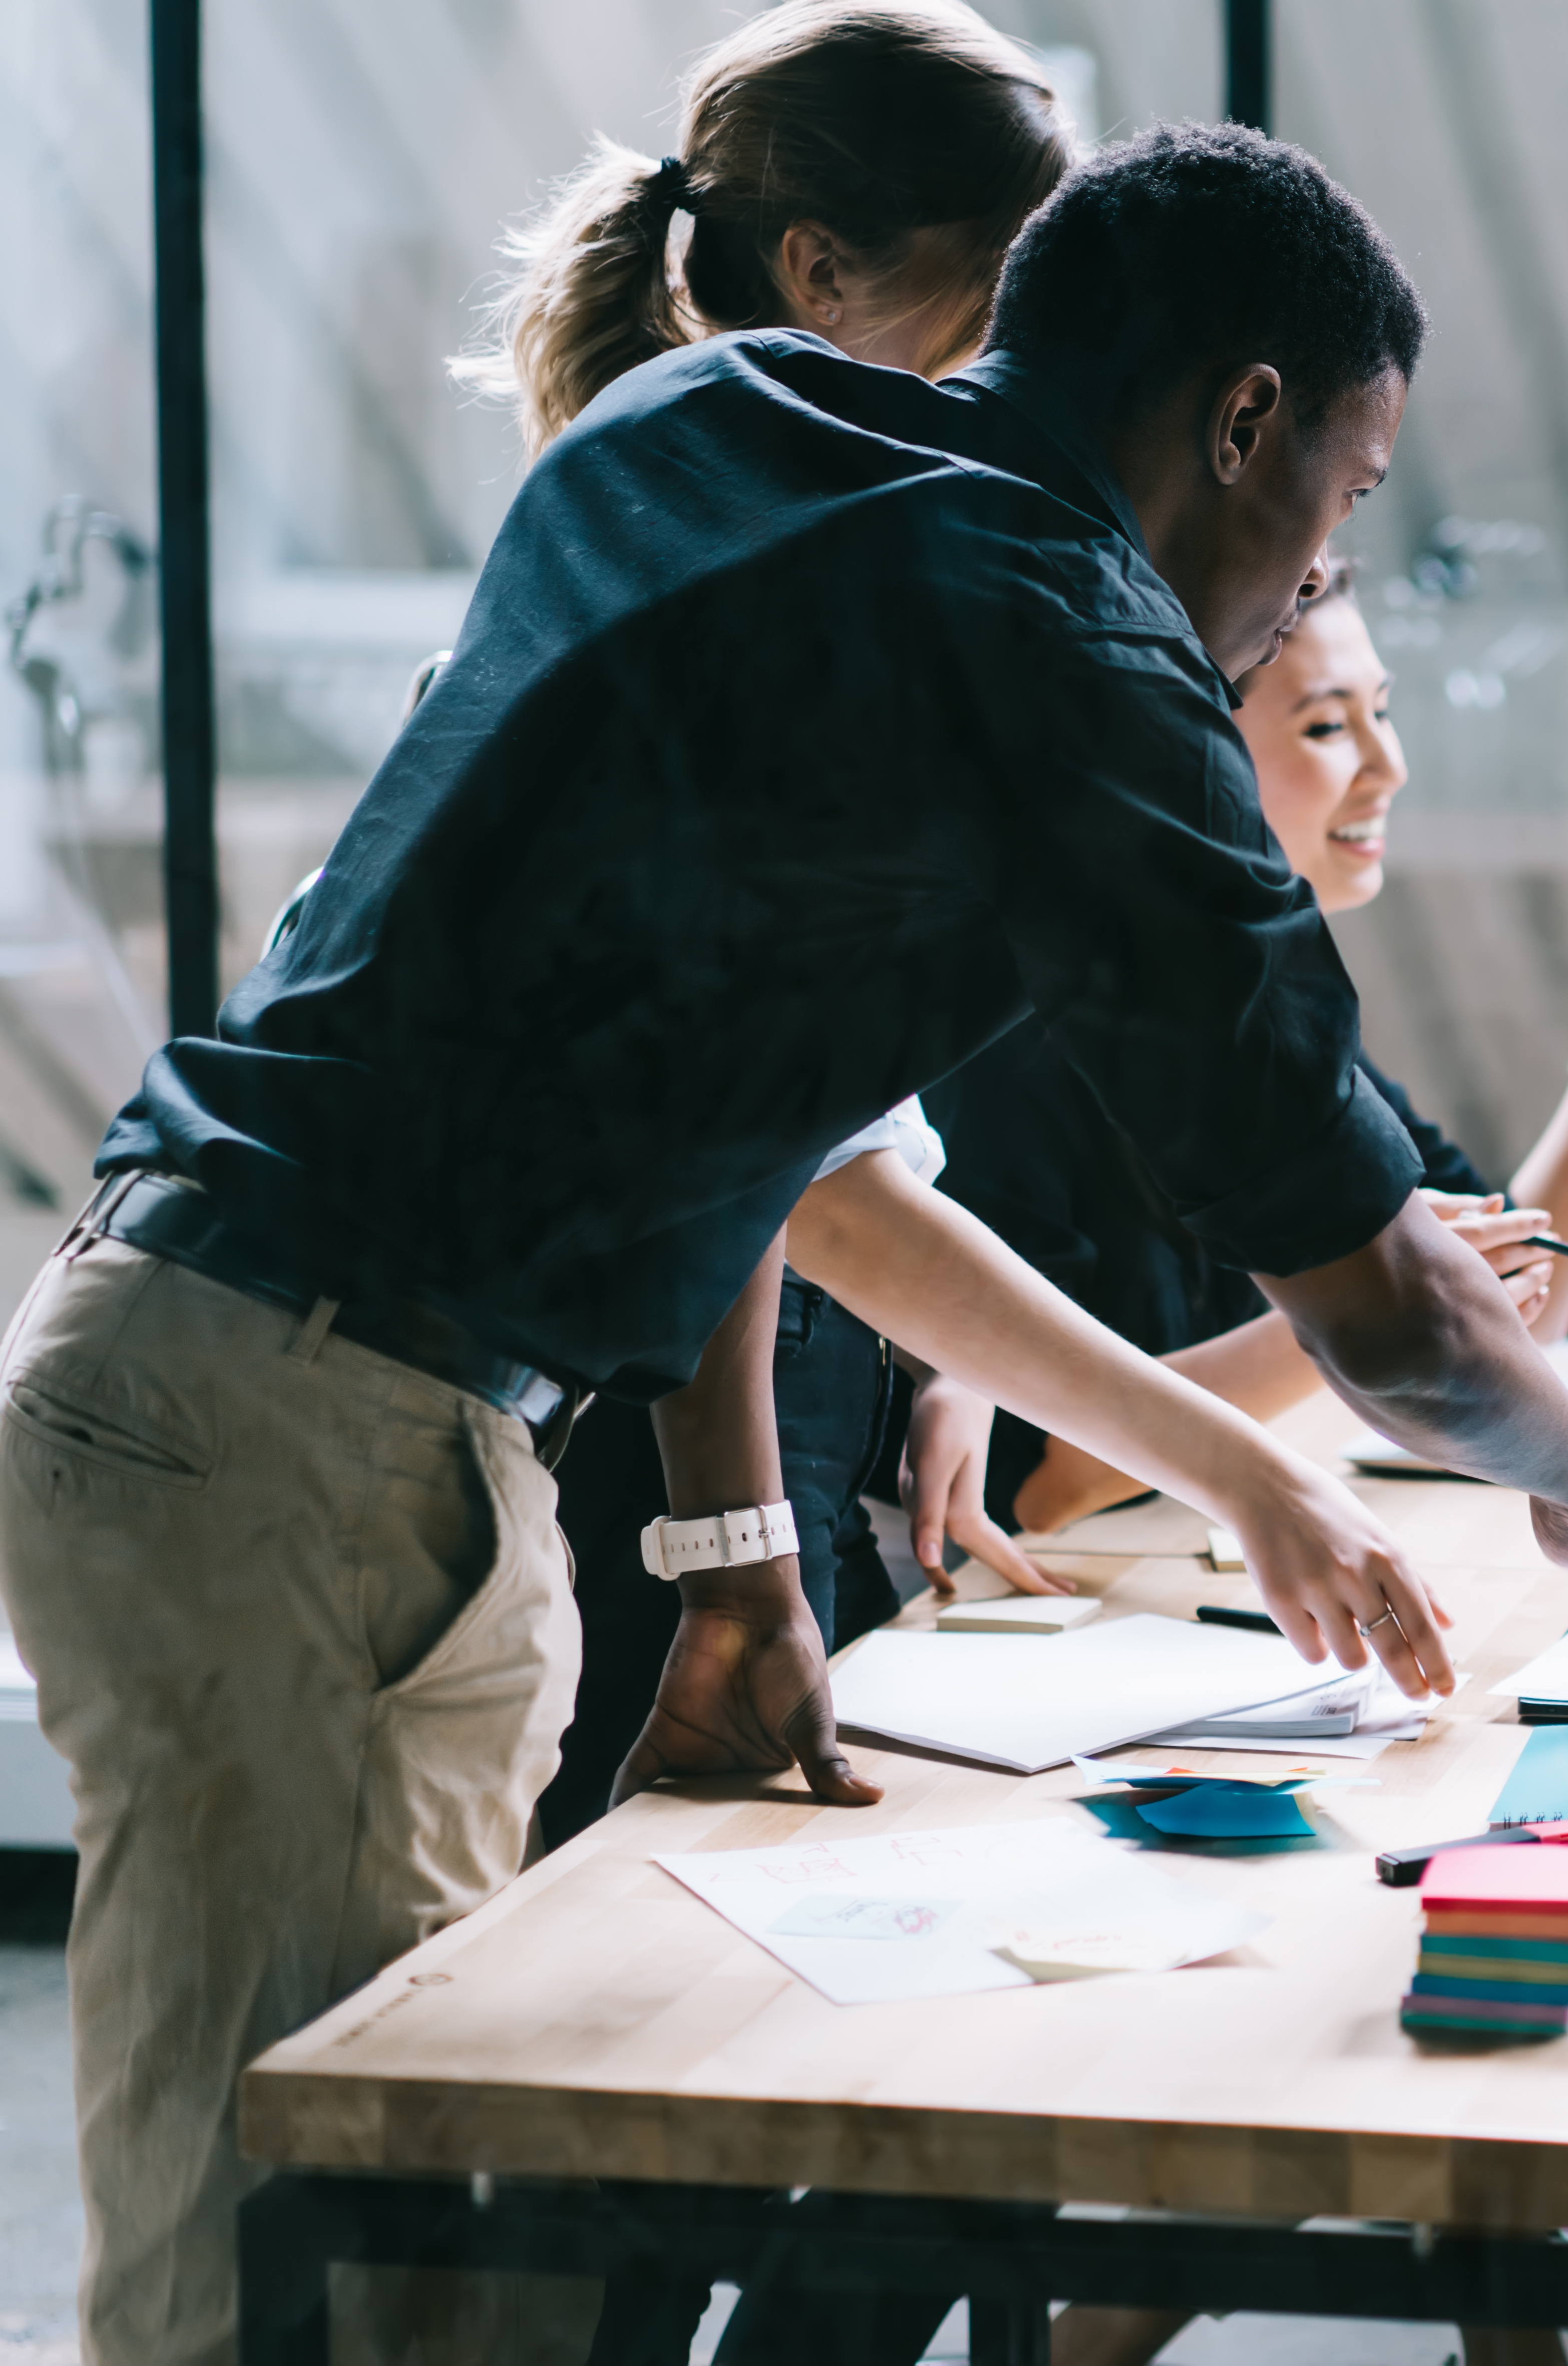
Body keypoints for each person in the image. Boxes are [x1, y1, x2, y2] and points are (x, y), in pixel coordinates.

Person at [0, 122, 1568, 2365]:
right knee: (317, 2275)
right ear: (1243, 421)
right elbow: (1372, 1282)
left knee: (430, 2254)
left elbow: (790, 1151)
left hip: (240, 1364)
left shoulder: (709, 419)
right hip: (316, 1432)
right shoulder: (1058, 633)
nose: (1318, 578)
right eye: (1345, 501)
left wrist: (740, 1553)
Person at [436, 0, 1086, 1858]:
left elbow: (806, 1123)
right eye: (1002, 301)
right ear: (818, 268)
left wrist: (932, 1350)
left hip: (751, 1406)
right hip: (610, 1423)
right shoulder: (688, 599)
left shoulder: (711, 546)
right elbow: (775, 1155)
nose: (1012, 377)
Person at [932, 557, 1568, 1536]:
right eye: (1326, 725)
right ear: (1176, 752)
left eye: (1382, 711)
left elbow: (1521, 1296)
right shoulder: (1015, 1042)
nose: (1389, 765)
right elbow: (1037, 1482)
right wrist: (1371, 1313)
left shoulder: (1265, 1011)